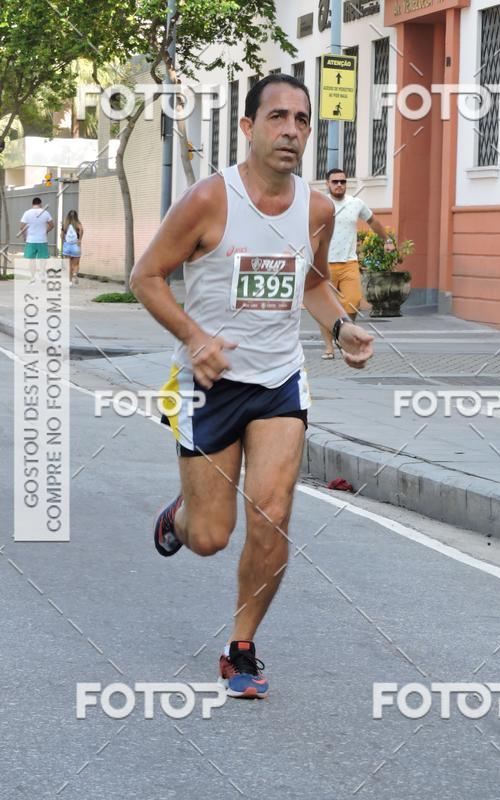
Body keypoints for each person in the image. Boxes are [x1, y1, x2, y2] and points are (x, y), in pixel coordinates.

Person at [130, 74, 374, 699]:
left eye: (301, 120)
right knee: (211, 537)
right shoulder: (210, 200)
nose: (291, 130)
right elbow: (147, 276)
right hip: (208, 383)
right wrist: (195, 338)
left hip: (277, 382)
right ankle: (181, 515)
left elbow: (313, 282)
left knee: (274, 511)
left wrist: (341, 326)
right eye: (277, 118)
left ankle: (241, 648)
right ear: (247, 127)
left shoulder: (317, 209)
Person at [319, 168, 391, 359]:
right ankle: (329, 347)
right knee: (324, 307)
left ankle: (342, 335)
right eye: (335, 182)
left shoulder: (356, 203)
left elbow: (373, 221)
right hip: (324, 263)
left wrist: (387, 240)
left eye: (342, 181)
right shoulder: (320, 204)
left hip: (349, 262)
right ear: (327, 184)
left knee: (353, 303)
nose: (339, 185)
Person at [18, 197, 54, 282]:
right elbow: (52, 225)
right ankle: (42, 275)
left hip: (30, 240)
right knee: (43, 259)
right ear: (41, 204)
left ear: (32, 204)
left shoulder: (27, 213)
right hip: (42, 240)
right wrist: (46, 231)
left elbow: (21, 227)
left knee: (32, 260)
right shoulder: (46, 213)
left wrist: (24, 236)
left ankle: (32, 277)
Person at [61, 210, 84, 285]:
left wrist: (64, 241)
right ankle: (75, 274)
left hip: (67, 245)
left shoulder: (65, 224)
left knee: (69, 265)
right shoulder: (78, 224)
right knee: (76, 264)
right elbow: (81, 230)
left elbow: (61, 235)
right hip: (75, 245)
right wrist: (79, 240)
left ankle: (69, 281)